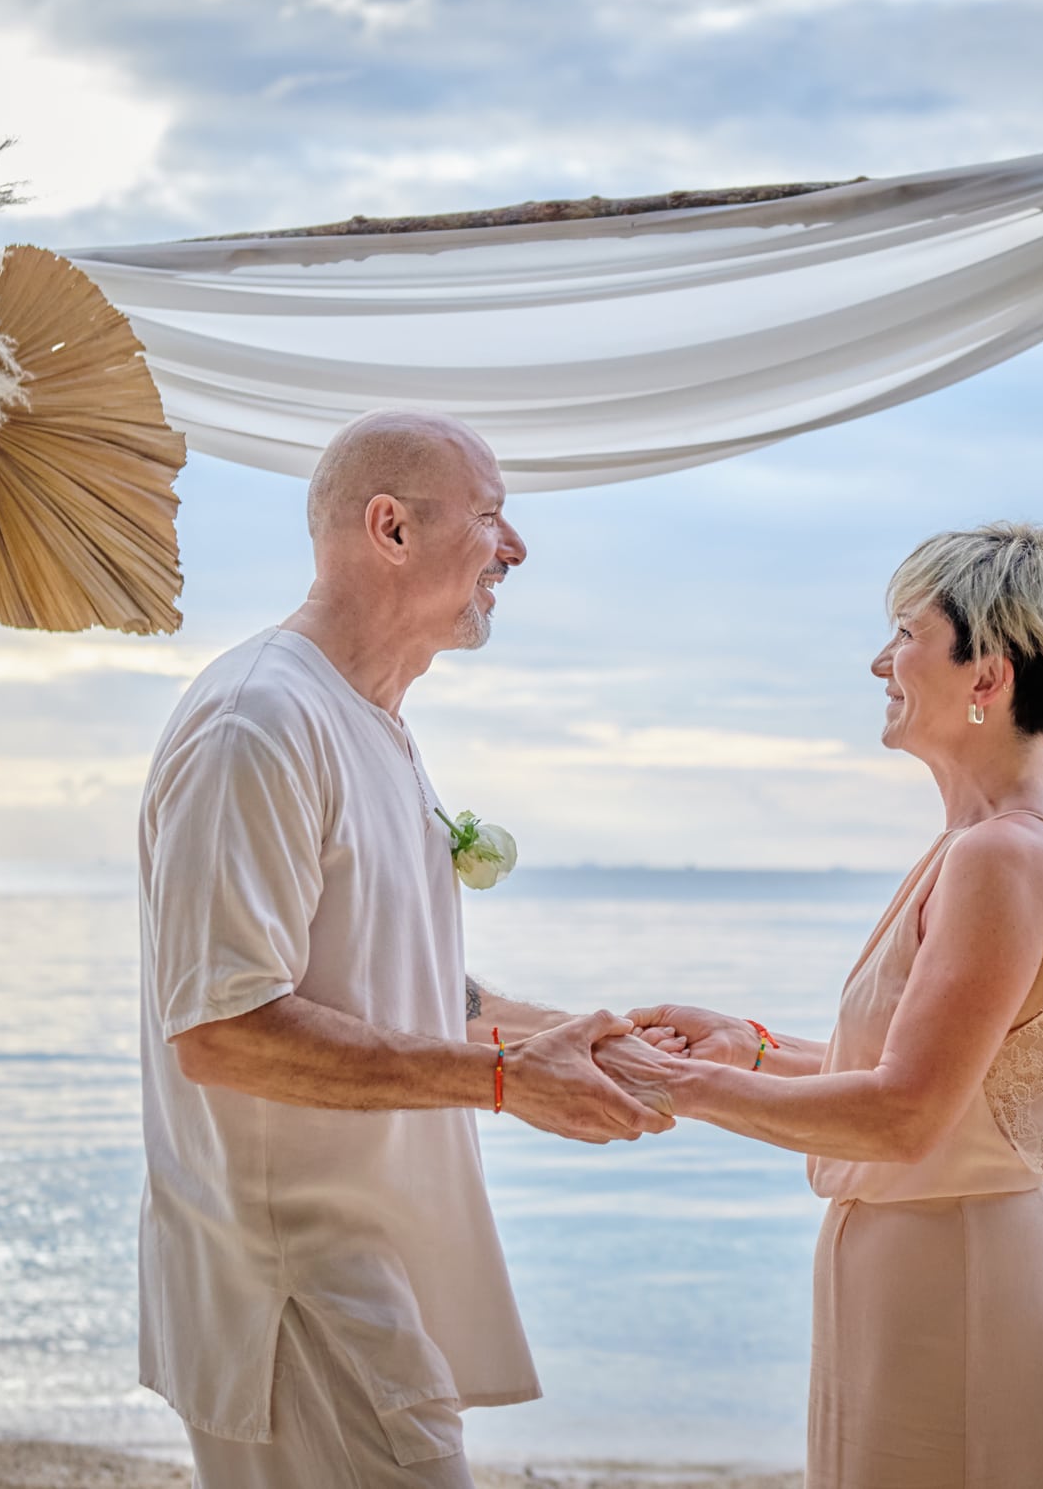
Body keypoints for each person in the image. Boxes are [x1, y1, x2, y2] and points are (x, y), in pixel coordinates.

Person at [136, 408, 670, 1489]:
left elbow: (390, 976)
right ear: (388, 529)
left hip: (369, 1277)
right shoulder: (259, 723)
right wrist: (507, 1081)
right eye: (489, 517)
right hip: (294, 1295)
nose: (512, 549)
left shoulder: (366, 719)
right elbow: (224, 1030)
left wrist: (578, 1038)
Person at [612, 521, 1043, 1489]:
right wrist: (748, 1053)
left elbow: (903, 1116)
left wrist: (678, 1085)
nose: (877, 661)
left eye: (904, 633)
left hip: (957, 1293)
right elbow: (948, 1087)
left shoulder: (1002, 857)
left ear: (988, 678)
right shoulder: (990, 847)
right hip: (924, 1275)